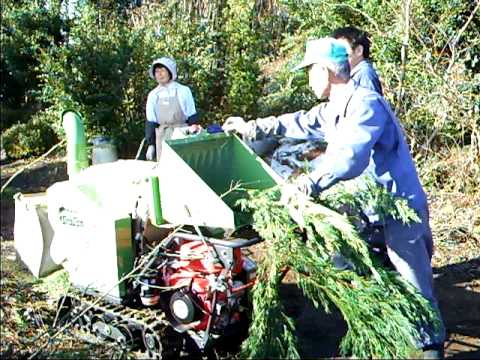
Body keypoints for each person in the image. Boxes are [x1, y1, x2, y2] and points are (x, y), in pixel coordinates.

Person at [222, 38, 445, 359]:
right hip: (368, 213)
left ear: (326, 71)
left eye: (310, 70)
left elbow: (349, 158)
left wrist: (308, 185)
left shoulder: (366, 104)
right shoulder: (333, 110)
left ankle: (431, 351)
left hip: (399, 211)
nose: (308, 77)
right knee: (370, 281)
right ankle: (377, 344)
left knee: (413, 285)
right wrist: (252, 128)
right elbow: (297, 121)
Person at [145, 57, 199, 161]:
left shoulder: (183, 91)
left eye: (162, 70)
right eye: (157, 71)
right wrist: (151, 144)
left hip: (182, 134)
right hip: (163, 136)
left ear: (170, 72)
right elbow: (150, 121)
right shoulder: (153, 95)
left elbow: (192, 117)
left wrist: (194, 136)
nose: (160, 74)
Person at [332, 26, 383, 95]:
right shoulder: (355, 74)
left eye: (342, 49)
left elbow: (369, 104)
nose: (338, 54)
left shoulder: (365, 74)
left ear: (359, 50)